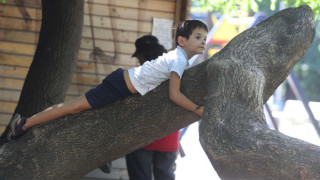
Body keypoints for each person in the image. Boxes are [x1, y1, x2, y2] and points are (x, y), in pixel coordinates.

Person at [6, 20, 208, 143]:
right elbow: (175, 94)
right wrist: (198, 109)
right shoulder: (178, 59)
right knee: (73, 107)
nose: (203, 41)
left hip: (124, 86)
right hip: (119, 85)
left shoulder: (180, 59)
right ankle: (24, 123)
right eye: (198, 37)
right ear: (182, 41)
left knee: (96, 116)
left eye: (205, 38)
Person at [125, 35, 179, 180]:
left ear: (142, 55)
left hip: (141, 140)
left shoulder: (139, 75)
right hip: (169, 139)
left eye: (138, 57)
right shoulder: (176, 73)